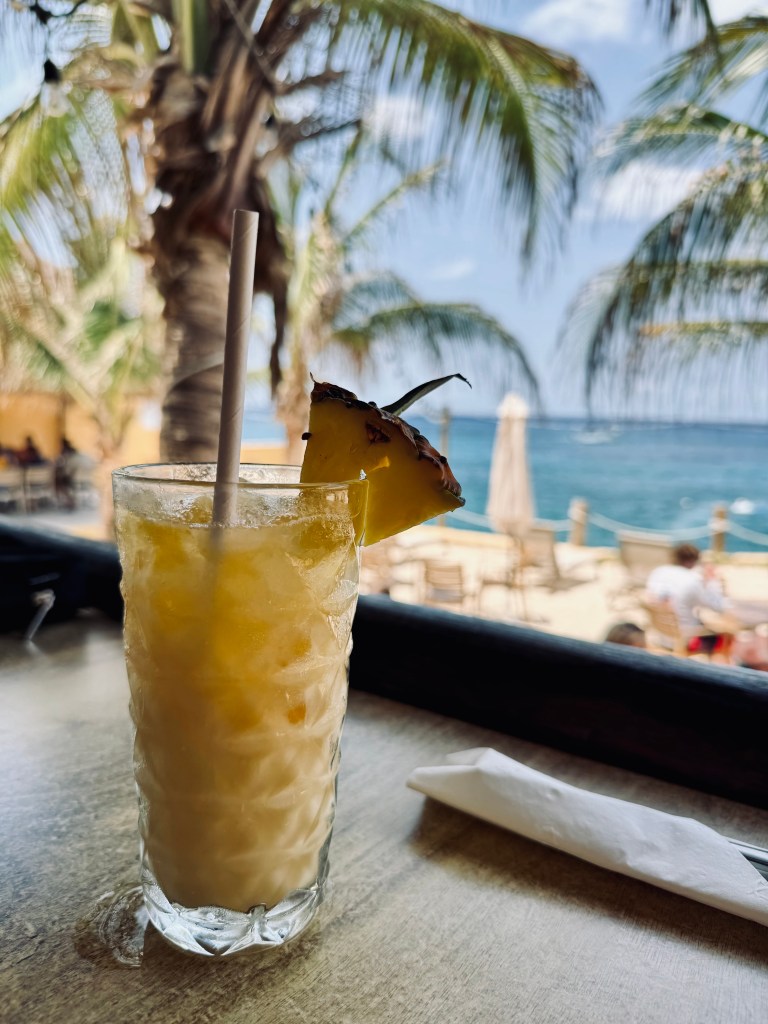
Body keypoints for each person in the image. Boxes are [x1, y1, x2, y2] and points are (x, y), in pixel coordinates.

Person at [645, 542, 734, 662]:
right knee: (727, 635)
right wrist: (713, 581)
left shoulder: (658, 572)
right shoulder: (692, 580)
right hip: (684, 639)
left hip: (660, 635)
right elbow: (719, 606)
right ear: (694, 561)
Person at [54, 436, 79, 510]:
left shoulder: (66, 453)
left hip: (71, 477)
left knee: (58, 482)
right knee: (59, 481)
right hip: (76, 476)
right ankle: (68, 501)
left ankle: (68, 501)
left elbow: (63, 465)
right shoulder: (74, 452)